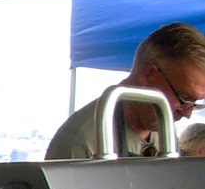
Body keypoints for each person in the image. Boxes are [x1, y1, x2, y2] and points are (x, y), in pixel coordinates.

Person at [46, 22, 205, 160]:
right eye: (184, 98)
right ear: (150, 74)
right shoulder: (83, 142)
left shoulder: (164, 137)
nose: (187, 114)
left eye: (194, 103)